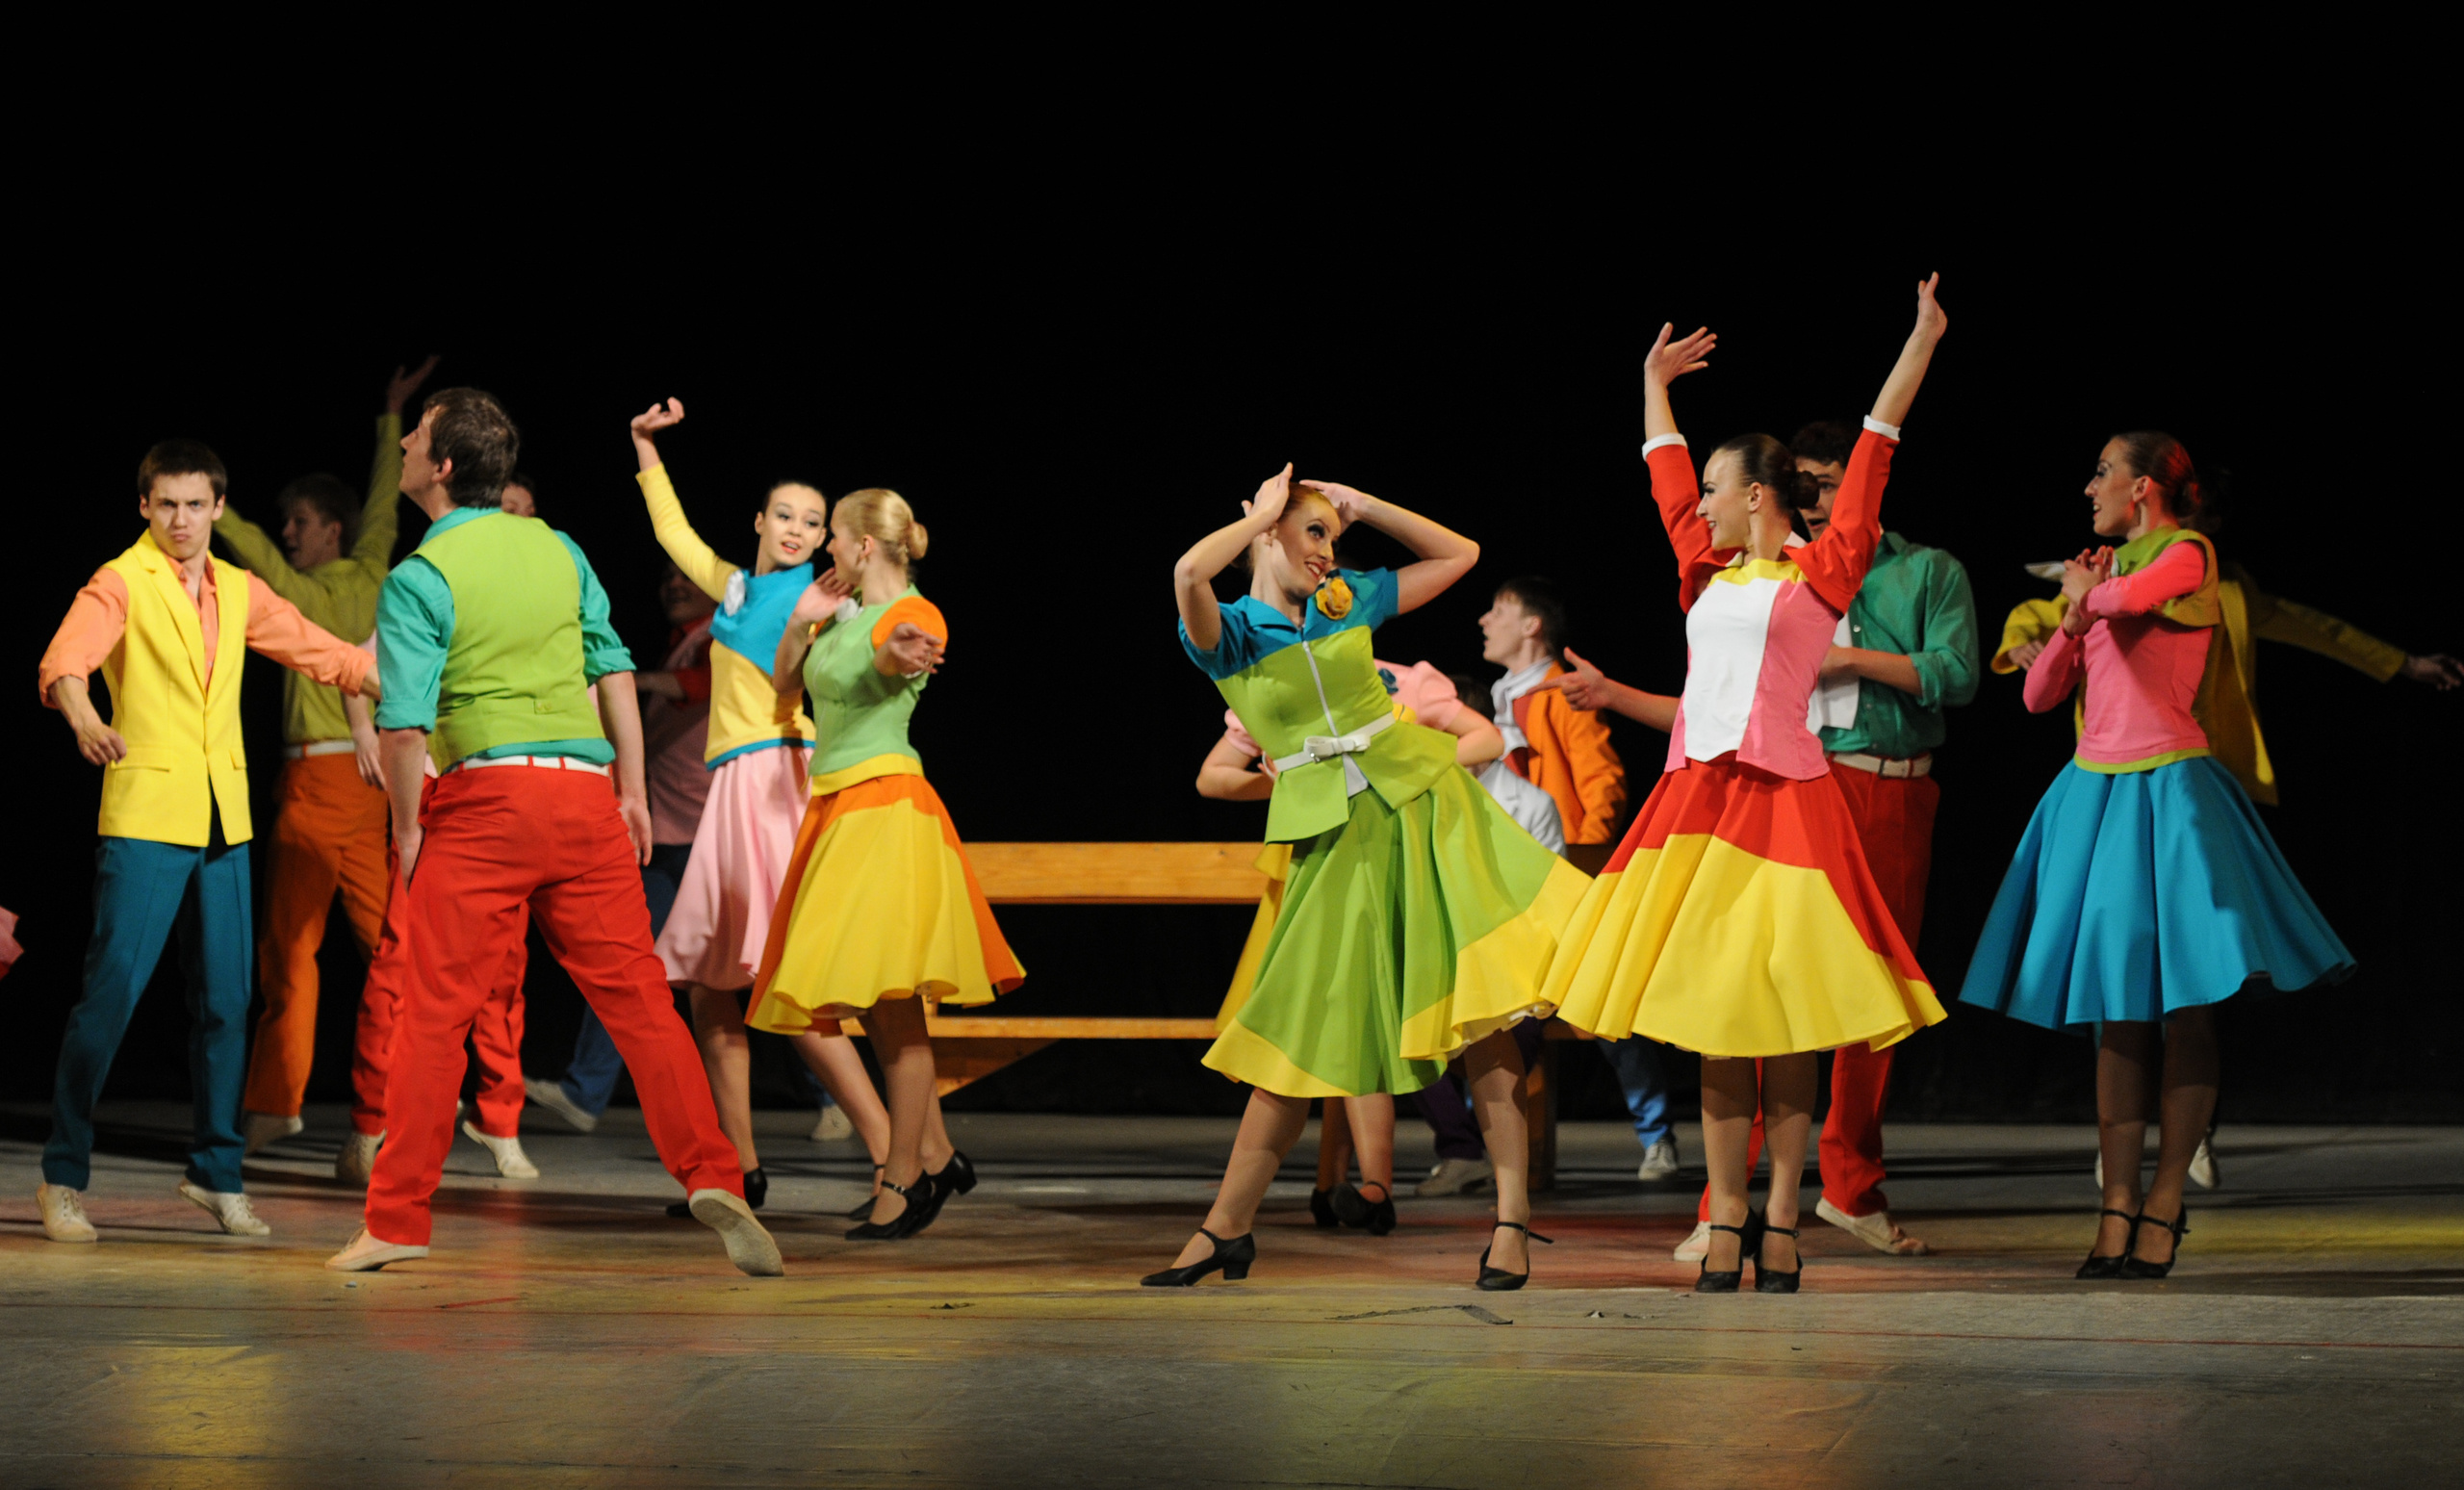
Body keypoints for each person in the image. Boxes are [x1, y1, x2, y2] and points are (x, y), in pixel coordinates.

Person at [1545, 278, 1953, 1296]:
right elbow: (1663, 481)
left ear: (1759, 498)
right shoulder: (1705, 572)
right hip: (1696, 806)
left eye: (1718, 491)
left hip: (1787, 806)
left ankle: (1779, 1218)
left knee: (1785, 1022)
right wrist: (1652, 385)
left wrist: (1919, 343)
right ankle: (1724, 1213)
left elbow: (1876, 449)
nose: (1704, 504)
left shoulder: (1825, 570)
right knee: (1717, 1021)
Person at [325, 387, 778, 1276]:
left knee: (432, 1017)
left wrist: (409, 831)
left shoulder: (420, 576)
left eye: (416, 437)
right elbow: (612, 671)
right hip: (584, 796)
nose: (405, 446)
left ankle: (397, 1220)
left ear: (442, 467)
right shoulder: (559, 547)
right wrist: (632, 791)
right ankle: (713, 1174)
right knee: (642, 1004)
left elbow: (404, 726)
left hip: (486, 805)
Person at [1154, 465, 1589, 1292]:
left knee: (1482, 1014)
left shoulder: (1344, 600)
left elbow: (1460, 554)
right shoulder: (1231, 632)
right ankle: (1226, 1228)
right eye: (1313, 532)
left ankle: (1510, 1223)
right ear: (1268, 529)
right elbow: (1187, 572)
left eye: (1333, 535)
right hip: (1333, 838)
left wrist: (1367, 506)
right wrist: (1260, 517)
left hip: (1422, 811)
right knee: (1298, 1030)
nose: (1327, 551)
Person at [1959, 430, 2352, 1281]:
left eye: (2102, 471)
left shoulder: (2187, 553)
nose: (2089, 486)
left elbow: (2139, 597)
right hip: (2095, 794)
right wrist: (2072, 615)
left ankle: (2166, 1202)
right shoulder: (2102, 577)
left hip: (2172, 791)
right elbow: (2037, 696)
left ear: (2142, 487)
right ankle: (2115, 1205)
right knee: (2117, 1009)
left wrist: (2086, 595)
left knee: (2187, 1008)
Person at [36, 440, 378, 1244]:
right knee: (111, 996)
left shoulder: (237, 585)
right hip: (147, 814)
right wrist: (84, 719)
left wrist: (394, 685)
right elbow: (64, 663)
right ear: (145, 507)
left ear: (218, 508)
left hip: (225, 819)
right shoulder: (123, 579)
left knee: (227, 1003)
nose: (181, 519)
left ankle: (218, 1174)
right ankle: (62, 1174)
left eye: (195, 505)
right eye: (167, 504)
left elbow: (317, 647)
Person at [617, 399, 894, 1218]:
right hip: (731, 788)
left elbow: (860, 656)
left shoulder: (824, 598)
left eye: (813, 521)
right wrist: (644, 447)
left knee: (786, 984)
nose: (798, 529)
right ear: (761, 522)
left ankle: (896, 1158)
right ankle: (738, 1166)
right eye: (786, 515)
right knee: (710, 985)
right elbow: (673, 535)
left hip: (777, 777)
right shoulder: (736, 589)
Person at [749, 487, 1022, 1241]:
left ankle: (904, 1178)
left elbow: (896, 654)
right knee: (867, 1001)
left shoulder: (914, 615)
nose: (826, 547)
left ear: (863, 545)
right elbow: (784, 686)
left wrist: (897, 650)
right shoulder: (839, 614)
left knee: (891, 1003)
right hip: (837, 807)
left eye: (834, 535)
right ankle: (935, 1155)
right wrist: (802, 621)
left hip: (885, 807)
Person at [216, 357, 435, 1155]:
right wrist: (391, 416)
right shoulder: (374, 569)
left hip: (323, 779)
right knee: (393, 949)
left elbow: (261, 553)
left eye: (300, 522)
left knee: (289, 952)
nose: (289, 534)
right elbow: (382, 503)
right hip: (375, 780)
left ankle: (277, 1103)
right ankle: (405, 1098)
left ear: (329, 530)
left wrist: (215, 511)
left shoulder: (299, 592)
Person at [1200, 660, 1507, 1227]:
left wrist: (1400, 770)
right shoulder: (1278, 688)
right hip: (1318, 867)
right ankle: (1327, 1187)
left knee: (1361, 1017)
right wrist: (1292, 780)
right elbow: (1212, 776)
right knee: (1324, 1022)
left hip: (1394, 863)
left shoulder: (1404, 682)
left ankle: (1371, 1186)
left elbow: (1487, 738)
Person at [523, 558, 716, 1136]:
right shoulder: (681, 643)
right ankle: (584, 1092)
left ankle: (827, 1095)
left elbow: (701, 686)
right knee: (629, 961)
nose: (673, 585)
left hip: (710, 834)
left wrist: (624, 681)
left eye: (686, 576)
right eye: (666, 577)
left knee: (748, 967)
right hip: (669, 831)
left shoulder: (721, 639)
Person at [1477, 576, 1627, 852]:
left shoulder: (1566, 696)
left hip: (1555, 856)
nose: (1483, 620)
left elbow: (1603, 784)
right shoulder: (1498, 701)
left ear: (1531, 625)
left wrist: (1583, 854)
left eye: (1498, 612)